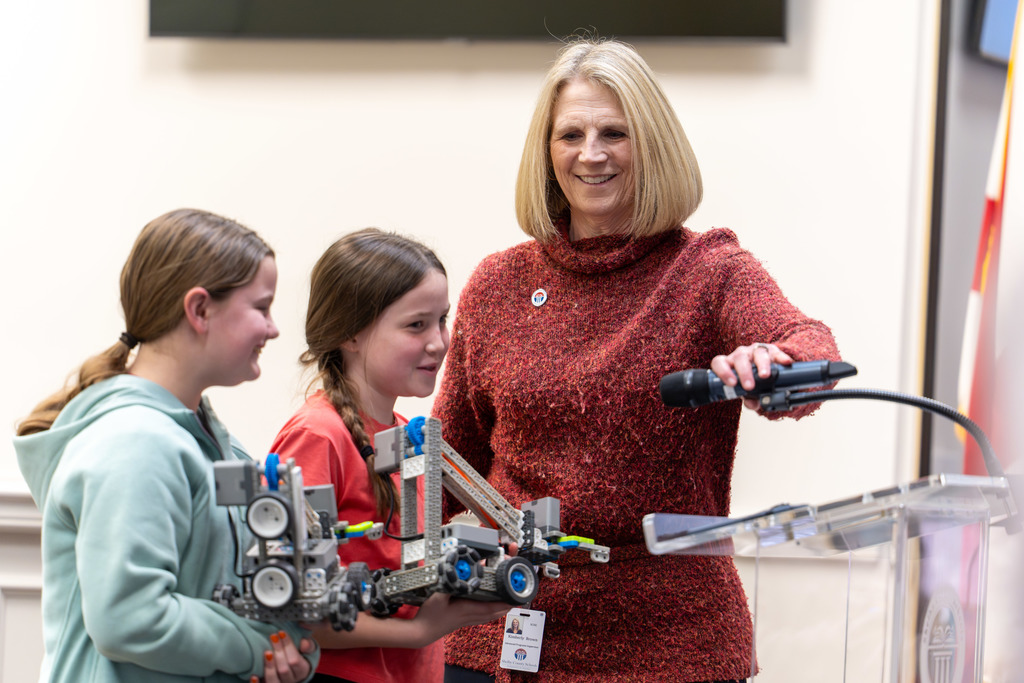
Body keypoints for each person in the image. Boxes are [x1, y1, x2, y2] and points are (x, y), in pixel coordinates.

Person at [433, 38, 842, 683]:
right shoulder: (497, 284)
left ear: (651, 143)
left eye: (614, 133)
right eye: (571, 133)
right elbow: (449, 459)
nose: (591, 153)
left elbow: (810, 346)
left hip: (669, 640)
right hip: (504, 633)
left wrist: (774, 363)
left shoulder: (706, 270)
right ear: (546, 151)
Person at [13, 208, 318, 683]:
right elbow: (132, 618)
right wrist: (260, 647)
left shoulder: (213, 443)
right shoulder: (134, 444)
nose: (273, 329)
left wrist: (287, 648)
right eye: (261, 307)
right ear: (199, 310)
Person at [268, 228, 510, 683]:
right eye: (416, 325)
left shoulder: (406, 437)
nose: (439, 342)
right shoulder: (317, 438)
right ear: (351, 334)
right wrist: (420, 631)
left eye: (442, 320)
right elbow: (305, 609)